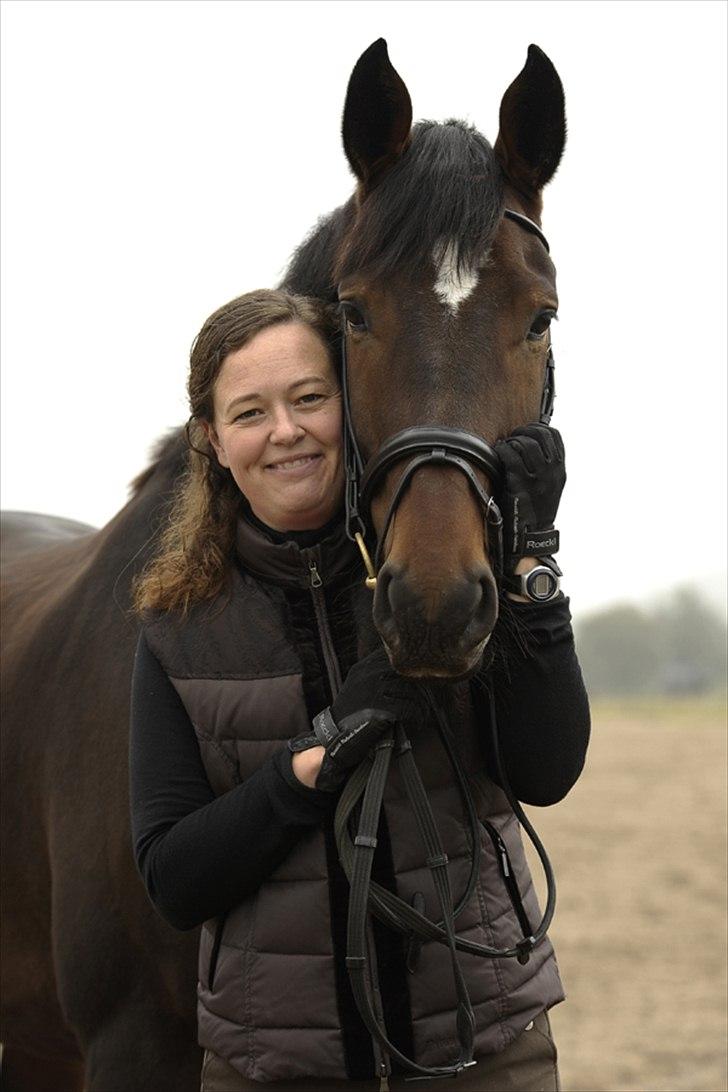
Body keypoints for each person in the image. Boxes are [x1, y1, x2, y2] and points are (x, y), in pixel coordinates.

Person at [129, 288, 590, 1092]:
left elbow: (546, 770)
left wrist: (532, 557)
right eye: (250, 413)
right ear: (213, 440)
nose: (286, 431)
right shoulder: (177, 628)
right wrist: (319, 753)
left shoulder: (436, 583)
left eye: (311, 398)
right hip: (275, 1067)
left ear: (357, 401)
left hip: (484, 1051)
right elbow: (175, 878)